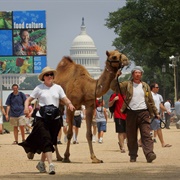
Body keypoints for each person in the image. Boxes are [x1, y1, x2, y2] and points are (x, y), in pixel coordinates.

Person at [18, 66, 75, 175]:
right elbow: (28, 100)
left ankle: (40, 163)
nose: (49, 76)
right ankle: (51, 165)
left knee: (48, 142)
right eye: (47, 75)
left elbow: (64, 98)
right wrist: (26, 107)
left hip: (55, 119)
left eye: (51, 75)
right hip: (42, 118)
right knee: (46, 140)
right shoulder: (39, 88)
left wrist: (70, 104)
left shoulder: (58, 88)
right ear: (43, 77)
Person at [110, 66, 159, 163]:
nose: (137, 74)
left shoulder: (145, 86)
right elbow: (114, 87)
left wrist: (156, 113)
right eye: (135, 72)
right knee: (131, 136)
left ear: (141, 74)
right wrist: (116, 77)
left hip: (144, 112)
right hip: (131, 113)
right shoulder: (127, 85)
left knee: (146, 135)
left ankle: (149, 154)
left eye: (139, 73)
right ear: (132, 74)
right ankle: (133, 155)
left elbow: (150, 100)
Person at [150, 83, 172, 147]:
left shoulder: (158, 96)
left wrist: (166, 110)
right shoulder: (150, 95)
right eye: (157, 87)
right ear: (153, 88)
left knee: (152, 128)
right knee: (154, 128)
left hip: (156, 114)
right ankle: (163, 143)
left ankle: (163, 143)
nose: (158, 88)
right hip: (152, 114)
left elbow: (160, 105)